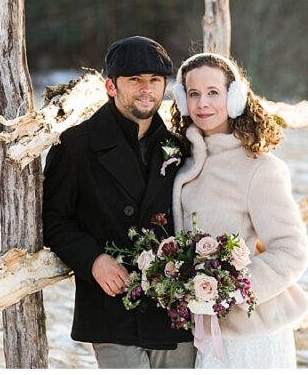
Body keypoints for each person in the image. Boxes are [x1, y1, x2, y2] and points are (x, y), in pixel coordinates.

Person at [42, 36, 195, 368]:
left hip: (172, 310)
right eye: (135, 80)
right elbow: (53, 219)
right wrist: (94, 259)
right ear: (111, 86)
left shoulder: (178, 148)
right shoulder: (76, 146)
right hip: (112, 308)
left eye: (155, 80)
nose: (146, 89)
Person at [168, 52, 308, 369]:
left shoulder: (259, 168)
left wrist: (233, 290)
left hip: (253, 333)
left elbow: (292, 250)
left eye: (213, 93)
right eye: (193, 94)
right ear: (181, 100)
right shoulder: (183, 162)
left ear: (234, 98)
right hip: (203, 331)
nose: (203, 103)